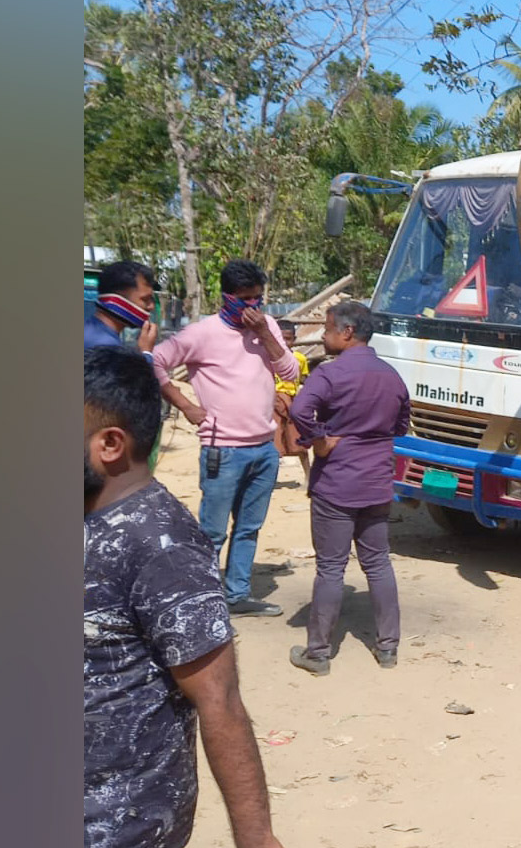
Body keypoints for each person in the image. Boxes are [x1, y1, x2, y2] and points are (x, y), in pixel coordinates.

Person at [84, 346, 291, 848]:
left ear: (110, 444)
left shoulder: (163, 547)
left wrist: (257, 845)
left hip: (114, 837)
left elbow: (218, 699)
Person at [151, 259, 300, 617]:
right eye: (245, 299)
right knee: (212, 533)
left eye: (258, 299)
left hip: (264, 449)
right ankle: (202, 601)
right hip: (223, 450)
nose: (253, 306)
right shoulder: (201, 334)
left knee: (249, 529)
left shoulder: (269, 328)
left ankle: (237, 596)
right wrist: (186, 405)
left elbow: (290, 372)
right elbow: (155, 362)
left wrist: (265, 333)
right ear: (227, 297)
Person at [286, 301, 411, 675]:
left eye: (326, 329)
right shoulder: (392, 376)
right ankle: (388, 648)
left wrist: (320, 438)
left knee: (330, 568)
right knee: (378, 562)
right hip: (376, 483)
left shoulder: (329, 374)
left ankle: (318, 653)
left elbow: (297, 412)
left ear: (346, 332)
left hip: (337, 484)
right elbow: (401, 426)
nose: (323, 336)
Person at [86, 260, 160, 356]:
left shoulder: (89, 330)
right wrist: (146, 352)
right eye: (145, 299)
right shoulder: (107, 348)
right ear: (117, 300)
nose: (152, 306)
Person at [271, 319, 311, 483]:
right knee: (274, 443)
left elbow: (304, 380)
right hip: (274, 402)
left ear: (294, 340)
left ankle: (309, 478)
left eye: (289, 339)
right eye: (282, 339)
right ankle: (270, 481)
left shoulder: (300, 359)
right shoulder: (269, 358)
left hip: (293, 402)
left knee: (299, 441)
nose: (286, 343)